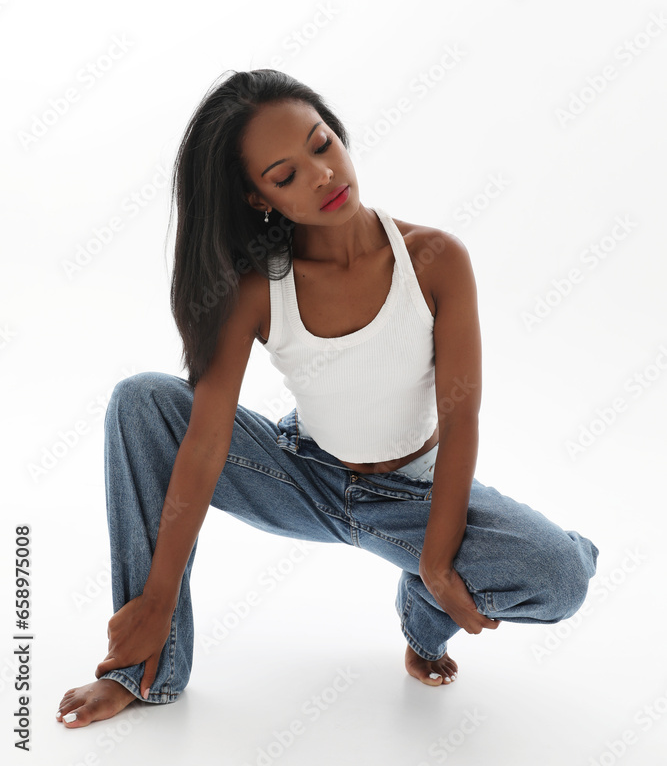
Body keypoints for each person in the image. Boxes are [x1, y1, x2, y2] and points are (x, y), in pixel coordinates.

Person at [56, 68, 599, 728]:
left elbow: (461, 415)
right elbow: (203, 441)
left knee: (559, 575)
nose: (320, 174)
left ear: (338, 136)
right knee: (140, 402)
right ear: (259, 198)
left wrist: (434, 563)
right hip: (299, 475)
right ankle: (140, 669)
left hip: (413, 496)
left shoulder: (433, 259)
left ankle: (422, 619)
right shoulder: (257, 288)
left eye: (321, 144)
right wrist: (158, 598)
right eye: (284, 176)